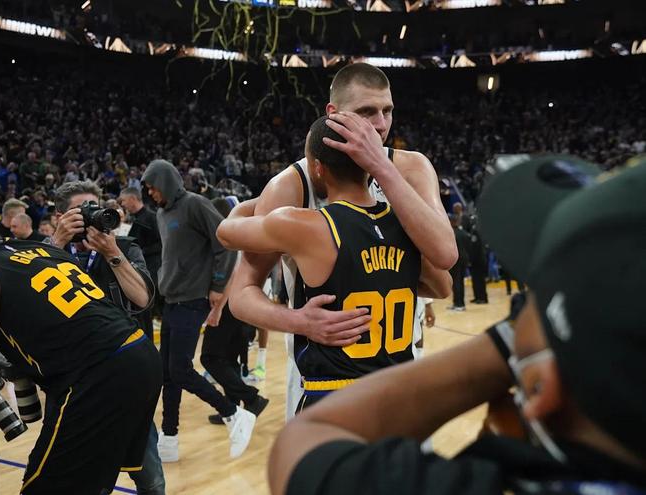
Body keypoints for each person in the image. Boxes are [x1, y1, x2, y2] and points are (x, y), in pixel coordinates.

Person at [267, 155, 646, 495]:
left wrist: (505, 343)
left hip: (337, 382)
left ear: (543, 386)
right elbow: (442, 283)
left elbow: (301, 444)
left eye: (533, 296)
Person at [226, 63, 457, 419]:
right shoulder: (291, 184)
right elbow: (242, 294)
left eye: (387, 111)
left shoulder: (412, 168)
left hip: (398, 367)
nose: (380, 124)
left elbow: (445, 258)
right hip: (323, 376)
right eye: (367, 112)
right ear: (333, 113)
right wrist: (299, 321)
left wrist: (382, 169)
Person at [0, 235, 161, 495]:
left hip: (99, 370)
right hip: (138, 350)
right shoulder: (36, 249)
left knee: (46, 485)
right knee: (92, 478)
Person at [50, 181, 164, 495]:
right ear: (61, 216)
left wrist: (112, 253)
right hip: (75, 382)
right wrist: (56, 243)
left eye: (94, 207)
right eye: (81, 210)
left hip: (125, 378)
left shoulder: (125, 247)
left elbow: (143, 299)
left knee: (151, 481)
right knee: (91, 482)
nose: (91, 215)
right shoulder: (46, 253)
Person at [141, 159, 254, 461]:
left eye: (152, 187)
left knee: (180, 370)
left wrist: (217, 285)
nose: (150, 193)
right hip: (171, 300)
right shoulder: (162, 214)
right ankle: (170, 437)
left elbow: (226, 244)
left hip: (192, 300)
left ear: (165, 182)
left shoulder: (195, 204)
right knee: (168, 374)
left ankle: (233, 413)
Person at [199, 197, 269, 426]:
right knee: (227, 358)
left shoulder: (224, 238)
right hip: (241, 303)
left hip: (229, 304)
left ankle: (251, 398)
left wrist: (217, 308)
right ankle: (233, 410)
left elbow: (231, 275)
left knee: (210, 357)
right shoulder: (238, 234)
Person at [119, 187, 163, 338]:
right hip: (135, 266)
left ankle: (155, 318)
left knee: (148, 295)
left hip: (152, 266)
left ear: (132, 199)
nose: (122, 204)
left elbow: (161, 243)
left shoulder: (152, 217)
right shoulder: (132, 219)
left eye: (124, 200)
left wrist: (140, 251)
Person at [448, 213, 471, 311]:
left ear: (452, 222)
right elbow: (469, 247)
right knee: (460, 282)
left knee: (456, 282)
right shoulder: (464, 233)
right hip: (464, 260)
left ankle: (458, 304)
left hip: (456, 261)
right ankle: (460, 303)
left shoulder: (452, 234)